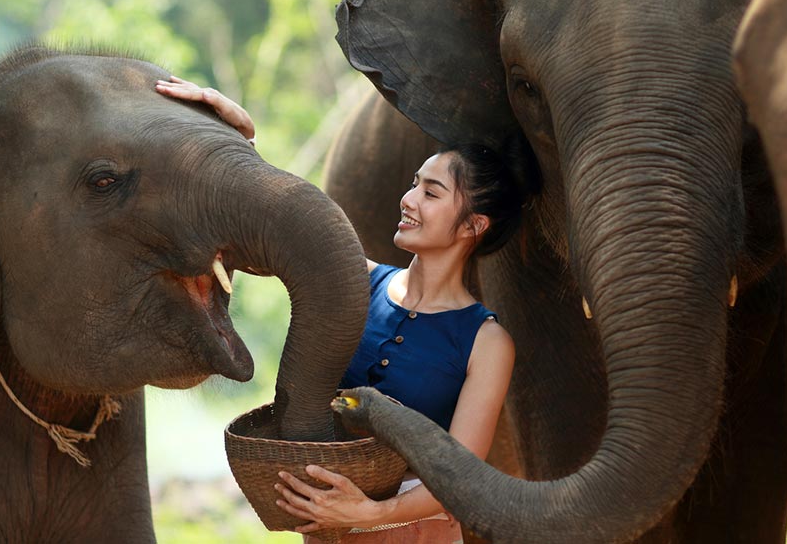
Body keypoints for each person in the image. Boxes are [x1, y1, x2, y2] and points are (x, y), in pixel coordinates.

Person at [157, 76, 538, 543]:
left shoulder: (487, 342)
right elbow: (279, 229)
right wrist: (242, 138)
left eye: (431, 193)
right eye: (414, 184)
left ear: (473, 225)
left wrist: (368, 512)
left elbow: (460, 478)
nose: (408, 199)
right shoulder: (359, 281)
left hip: (414, 534)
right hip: (326, 528)